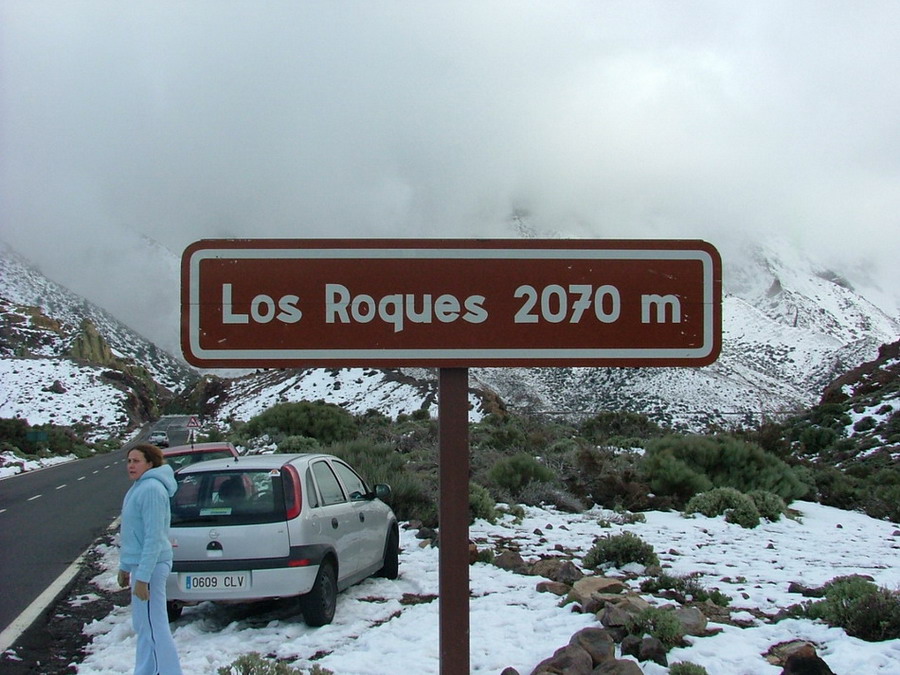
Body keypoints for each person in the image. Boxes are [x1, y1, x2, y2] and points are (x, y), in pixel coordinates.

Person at [118, 443, 183, 675]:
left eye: (136, 461)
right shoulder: (138, 487)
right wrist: (126, 567)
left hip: (152, 567)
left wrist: (143, 577)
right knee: (143, 625)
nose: (131, 465)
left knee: (155, 625)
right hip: (142, 566)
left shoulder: (152, 490)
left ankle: (167, 671)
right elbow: (133, 533)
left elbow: (154, 538)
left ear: (150, 463)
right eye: (128, 461)